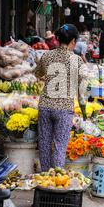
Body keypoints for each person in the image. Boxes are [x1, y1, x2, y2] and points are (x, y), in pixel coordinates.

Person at [35, 24, 86, 171]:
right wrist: (83, 109)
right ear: (73, 42)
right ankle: (57, 179)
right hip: (64, 109)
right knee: (59, 146)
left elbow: (37, 73)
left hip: (45, 105)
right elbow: (82, 85)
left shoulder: (47, 55)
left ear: (57, 39)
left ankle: (44, 176)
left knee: (44, 144)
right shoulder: (77, 60)